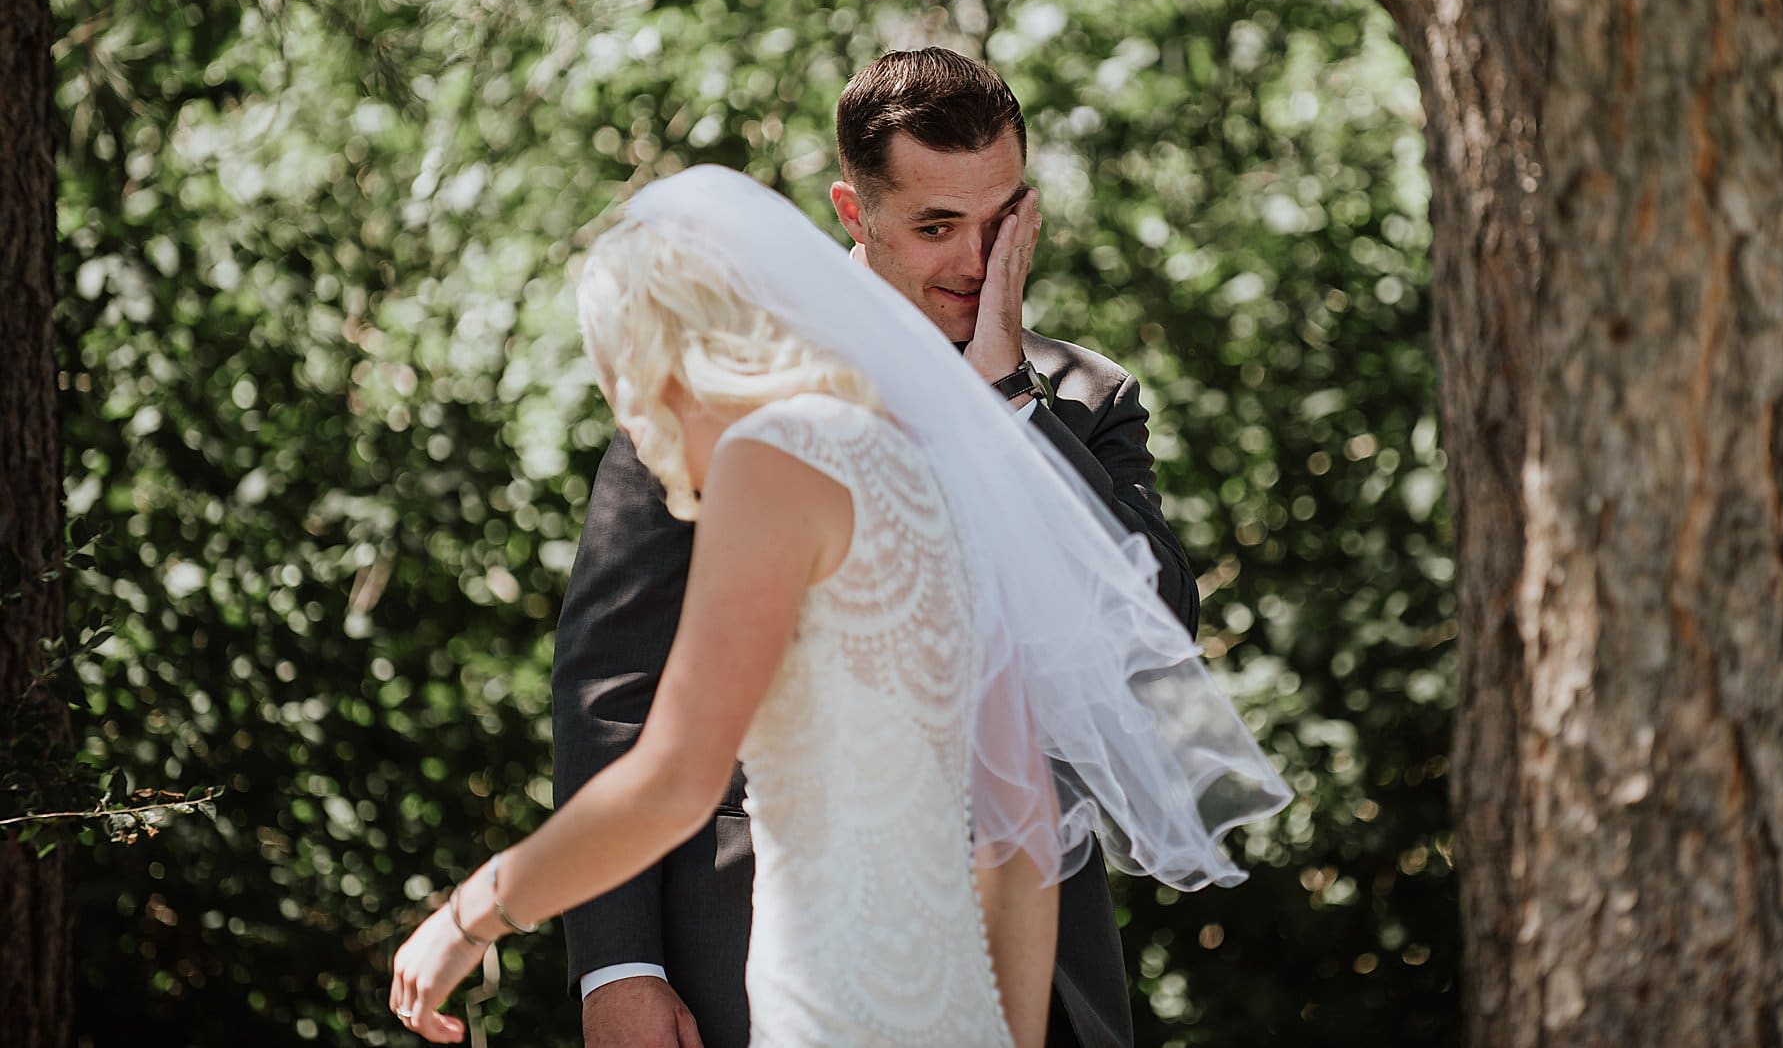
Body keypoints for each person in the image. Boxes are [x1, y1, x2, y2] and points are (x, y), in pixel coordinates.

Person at [388, 164, 1291, 1045]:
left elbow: (672, 780)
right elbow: (1019, 820)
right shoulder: (923, 465)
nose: (626, 409)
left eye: (615, 373)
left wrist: (469, 918)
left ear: (658, 356)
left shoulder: (771, 461)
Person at [555, 50, 1200, 1048]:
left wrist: (1005, 399)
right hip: (768, 952)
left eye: (999, 222)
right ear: (854, 214)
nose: (977, 261)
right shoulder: (722, 390)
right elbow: (614, 689)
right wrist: (618, 965)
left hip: (1033, 970)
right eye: (935, 227)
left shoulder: (1077, 399)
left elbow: (1151, 633)